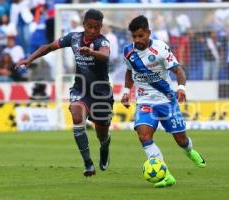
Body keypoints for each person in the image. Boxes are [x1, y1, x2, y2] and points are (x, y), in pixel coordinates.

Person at [16, 9, 113, 177]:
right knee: (76, 115)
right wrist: (29, 59)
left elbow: (105, 56)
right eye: (89, 27)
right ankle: (88, 163)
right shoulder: (74, 38)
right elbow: (48, 47)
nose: (92, 31)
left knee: (101, 133)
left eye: (96, 28)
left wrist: (91, 52)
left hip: (101, 93)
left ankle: (105, 146)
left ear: (101, 27)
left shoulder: (102, 42)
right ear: (84, 25)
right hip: (80, 89)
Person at [121, 15, 206, 188]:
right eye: (134, 37)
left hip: (166, 101)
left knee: (181, 140)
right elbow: (129, 72)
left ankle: (190, 150)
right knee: (143, 135)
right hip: (145, 101)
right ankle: (165, 175)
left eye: (141, 36)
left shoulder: (160, 49)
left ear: (148, 33)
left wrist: (181, 88)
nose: (137, 40)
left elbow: (178, 70)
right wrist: (125, 91)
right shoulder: (128, 51)